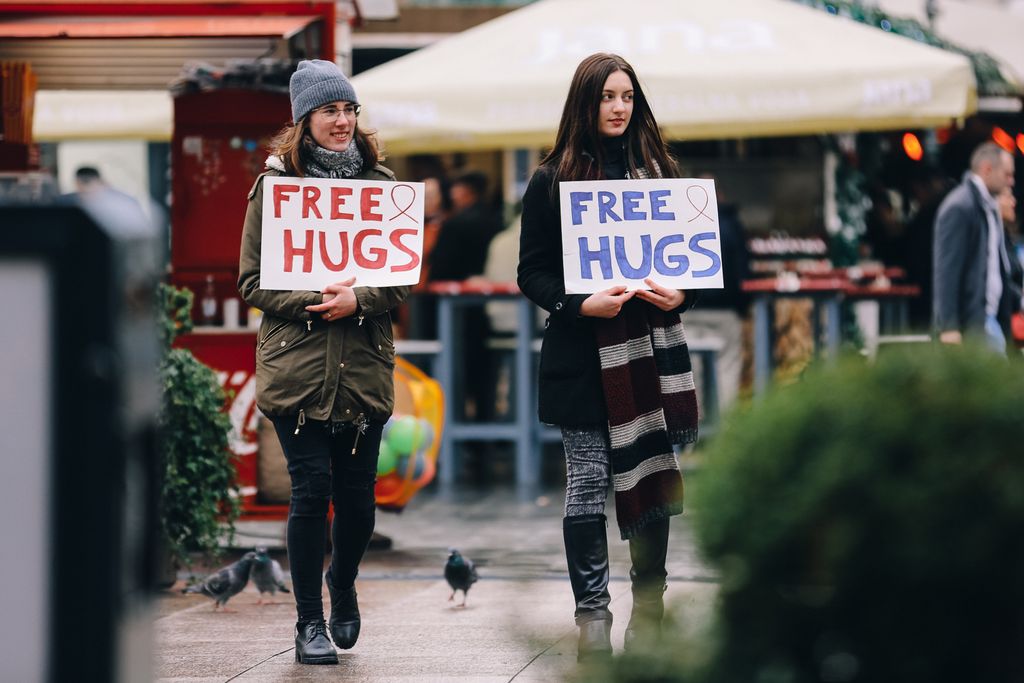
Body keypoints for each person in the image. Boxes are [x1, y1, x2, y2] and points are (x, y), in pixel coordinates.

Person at [517, 52, 698, 661]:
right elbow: (532, 272)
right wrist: (578, 305)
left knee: (651, 478)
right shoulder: (550, 181)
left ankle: (650, 610)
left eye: (626, 97)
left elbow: (689, 261)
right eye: (606, 98)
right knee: (588, 483)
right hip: (581, 355)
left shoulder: (661, 175)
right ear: (585, 105)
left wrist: (684, 292)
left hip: (648, 355)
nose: (618, 108)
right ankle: (591, 614)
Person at [237, 59, 409, 665]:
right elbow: (251, 280)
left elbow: (401, 279)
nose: (341, 121)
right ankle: (308, 620)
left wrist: (358, 299)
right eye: (329, 110)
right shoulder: (274, 191)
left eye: (348, 109)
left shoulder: (385, 189)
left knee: (359, 499)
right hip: (298, 367)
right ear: (303, 120)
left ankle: (343, 585)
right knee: (311, 490)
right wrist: (314, 303)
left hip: (362, 365)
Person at [933, 141, 1017, 353]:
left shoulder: (986, 206)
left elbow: (996, 267)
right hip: (972, 323)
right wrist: (949, 326)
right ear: (987, 169)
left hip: (988, 320)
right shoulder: (960, 206)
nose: (1011, 181)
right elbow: (946, 270)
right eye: (1007, 174)